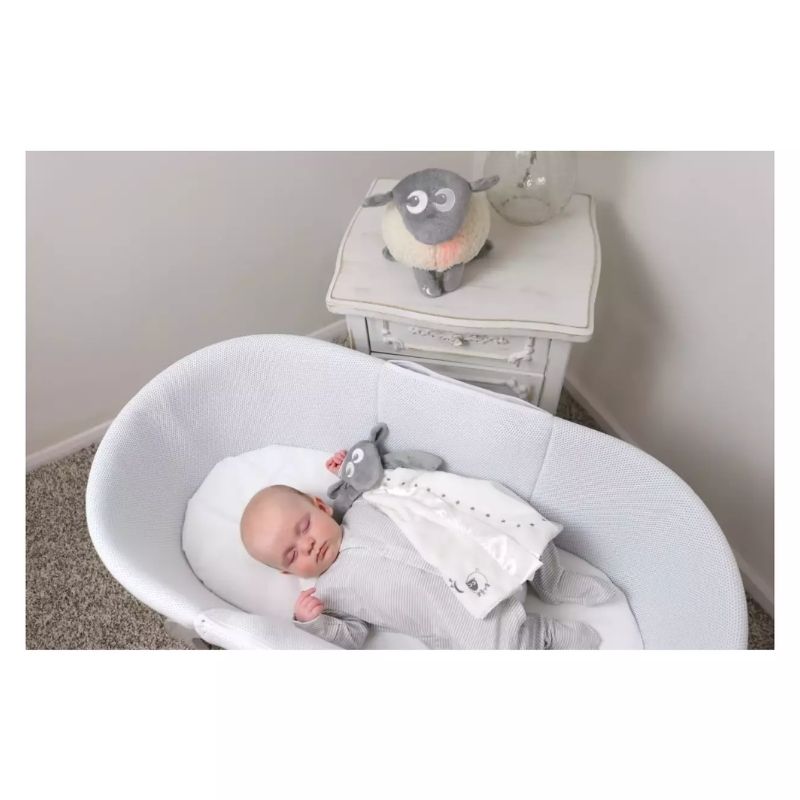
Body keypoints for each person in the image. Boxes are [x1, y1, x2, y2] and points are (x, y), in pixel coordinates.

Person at [239, 450, 616, 649]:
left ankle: (554, 580)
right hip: (458, 618)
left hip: (475, 556)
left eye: (303, 527)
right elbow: (353, 637)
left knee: (515, 528)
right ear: (287, 572)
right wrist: (315, 623)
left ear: (321, 506)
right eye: (292, 555)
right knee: (497, 650)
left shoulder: (363, 506)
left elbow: (399, 482)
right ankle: (544, 636)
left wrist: (351, 472)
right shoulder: (327, 595)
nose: (307, 545)